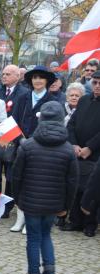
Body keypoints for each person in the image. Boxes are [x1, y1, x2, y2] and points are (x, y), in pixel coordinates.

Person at [12, 101, 78, 274]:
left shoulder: (28, 145)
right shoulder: (67, 149)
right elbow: (72, 182)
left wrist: (19, 199)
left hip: (31, 202)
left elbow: (17, 175)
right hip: (54, 203)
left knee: (33, 239)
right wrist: (66, 207)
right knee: (46, 236)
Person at [10, 66, 57, 234]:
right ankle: (20, 218)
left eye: (41, 78)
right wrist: (20, 140)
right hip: (21, 147)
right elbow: (13, 122)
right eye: (34, 77)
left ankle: (31, 220)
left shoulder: (52, 101)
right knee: (21, 181)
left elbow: (53, 126)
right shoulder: (22, 97)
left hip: (41, 149)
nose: (37, 80)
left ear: (47, 81)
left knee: (35, 184)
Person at [63, 70, 100, 237]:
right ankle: (75, 220)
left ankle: (90, 224)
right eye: (95, 83)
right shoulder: (84, 99)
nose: (97, 86)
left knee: (92, 189)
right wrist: (74, 144)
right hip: (78, 151)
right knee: (77, 185)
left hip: (95, 153)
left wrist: (90, 147)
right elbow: (71, 123)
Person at [0, 64, 30, 219]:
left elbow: (22, 116)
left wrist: (11, 136)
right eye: (3, 73)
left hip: (14, 137)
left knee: (10, 173)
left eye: (8, 74)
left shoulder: (24, 93)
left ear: (17, 76)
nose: (4, 76)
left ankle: (7, 206)